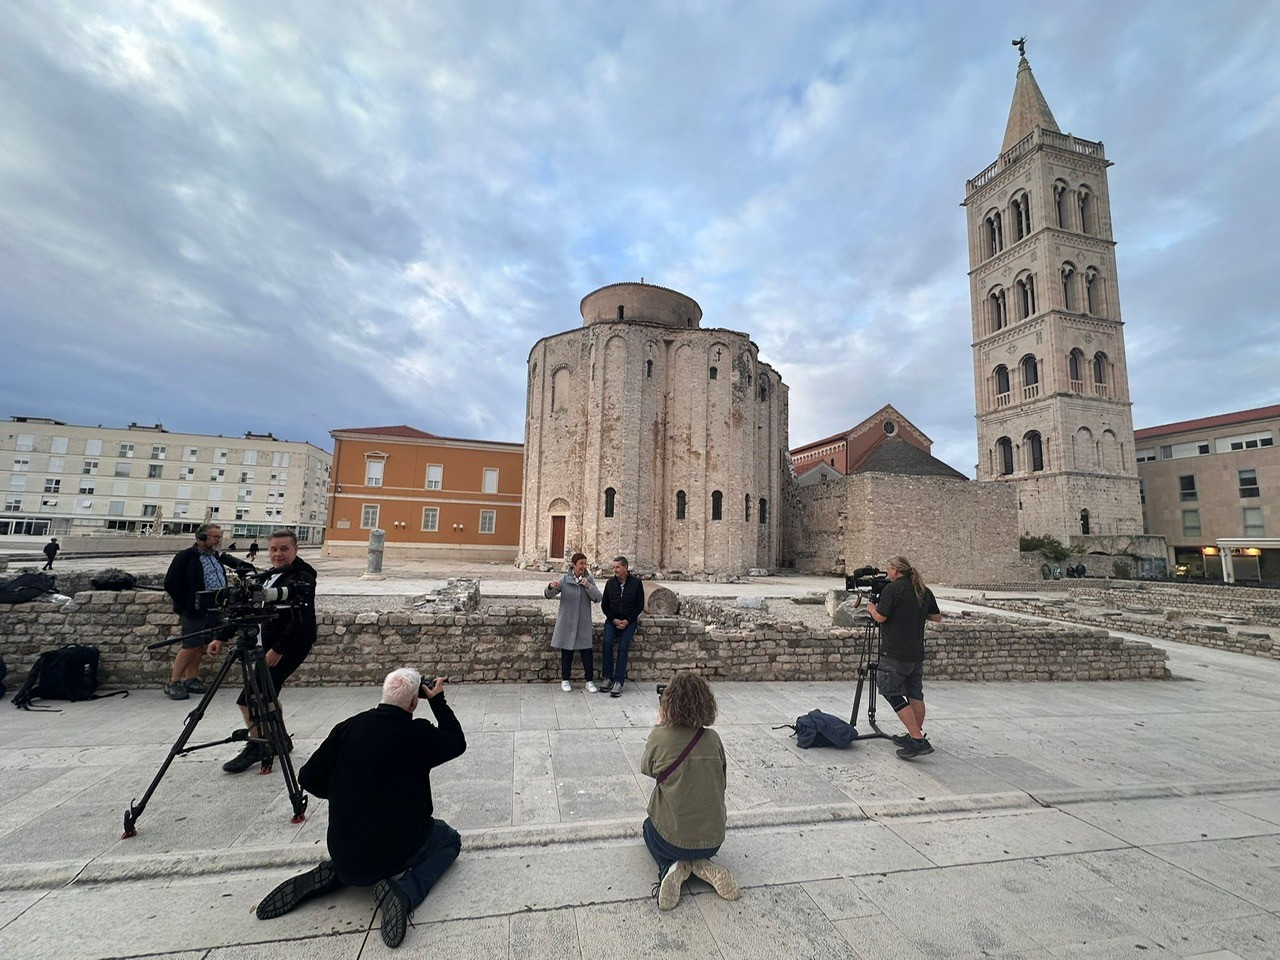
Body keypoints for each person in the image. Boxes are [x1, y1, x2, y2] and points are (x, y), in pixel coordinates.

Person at [254, 668, 466, 949]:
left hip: (342, 848)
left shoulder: (348, 727)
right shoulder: (418, 733)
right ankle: (404, 891)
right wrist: (438, 701)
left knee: (358, 852)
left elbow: (307, 777)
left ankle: (336, 873)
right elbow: (456, 741)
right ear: (414, 702)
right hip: (396, 852)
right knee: (450, 840)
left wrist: (347, 796)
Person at [209, 529, 317, 772]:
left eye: (284, 549)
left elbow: (302, 619)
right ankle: (279, 740)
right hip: (269, 645)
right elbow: (247, 610)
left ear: (295, 550)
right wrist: (221, 636)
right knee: (266, 694)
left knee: (250, 697)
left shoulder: (302, 577)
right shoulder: (270, 575)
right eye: (274, 549)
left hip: (288, 646)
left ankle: (258, 744)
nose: (278, 554)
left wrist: (279, 649)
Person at [640, 672, 739, 910]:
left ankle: (671, 867)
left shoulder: (660, 736)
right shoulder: (713, 739)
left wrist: (660, 724)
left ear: (668, 703)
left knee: (647, 827)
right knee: (693, 839)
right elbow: (721, 781)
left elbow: (647, 768)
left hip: (671, 841)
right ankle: (701, 864)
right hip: (713, 839)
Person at [865, 555, 943, 760]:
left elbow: (881, 617)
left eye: (888, 569)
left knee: (890, 690)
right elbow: (936, 616)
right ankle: (914, 734)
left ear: (896, 571)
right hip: (915, 653)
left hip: (894, 652)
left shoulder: (893, 590)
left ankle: (917, 739)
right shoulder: (923, 590)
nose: (887, 573)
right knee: (915, 693)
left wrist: (872, 608)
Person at [162, 524, 233, 700]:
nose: (218, 540)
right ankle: (173, 682)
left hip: (212, 608)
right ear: (201, 538)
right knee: (190, 645)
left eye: (220, 537)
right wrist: (186, 603)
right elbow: (171, 583)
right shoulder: (186, 556)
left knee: (200, 646)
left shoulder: (214, 557)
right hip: (193, 609)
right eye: (215, 537)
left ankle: (191, 679)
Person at [545, 552, 602, 692]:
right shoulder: (565, 580)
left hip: (583, 623)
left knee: (586, 652)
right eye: (581, 563)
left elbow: (598, 598)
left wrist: (588, 586)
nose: (584, 566)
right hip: (567, 622)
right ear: (574, 565)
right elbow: (549, 595)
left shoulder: (589, 579)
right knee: (567, 652)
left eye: (585, 563)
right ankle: (565, 680)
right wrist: (550, 587)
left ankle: (589, 681)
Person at [600, 555, 645, 697]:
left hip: (629, 621)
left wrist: (627, 621)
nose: (615, 570)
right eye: (614, 567)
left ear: (625, 567)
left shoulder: (636, 583)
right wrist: (613, 620)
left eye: (617, 567)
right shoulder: (610, 583)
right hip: (612, 620)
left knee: (623, 647)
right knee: (607, 643)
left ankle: (619, 681)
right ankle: (608, 678)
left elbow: (639, 605)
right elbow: (604, 605)